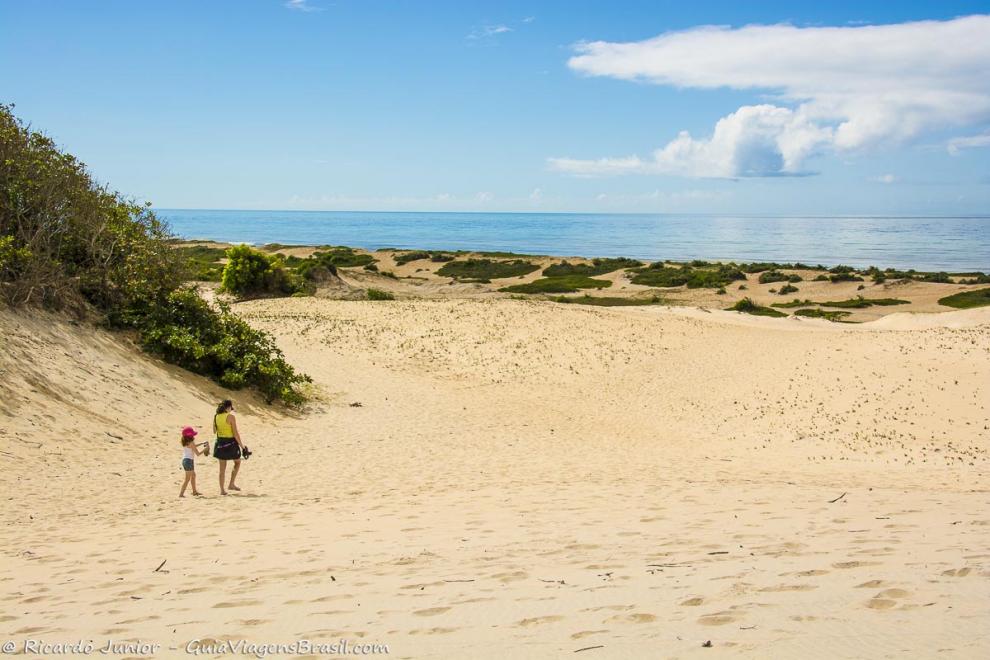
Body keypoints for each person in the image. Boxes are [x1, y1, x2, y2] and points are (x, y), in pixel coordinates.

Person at [213, 399, 246, 495]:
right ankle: (231, 484)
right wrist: (242, 446)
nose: (231, 410)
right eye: (231, 408)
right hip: (231, 443)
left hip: (220, 443)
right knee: (237, 462)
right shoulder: (231, 417)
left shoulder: (216, 417)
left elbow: (214, 431)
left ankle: (222, 490)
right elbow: (236, 433)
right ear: (228, 407)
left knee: (222, 468)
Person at [179, 426, 205, 497]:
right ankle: (181, 494)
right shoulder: (191, 443)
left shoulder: (186, 442)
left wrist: (202, 443)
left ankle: (194, 491)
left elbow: (193, 446)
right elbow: (198, 454)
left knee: (193, 475)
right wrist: (205, 449)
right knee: (187, 479)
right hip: (189, 461)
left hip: (186, 460)